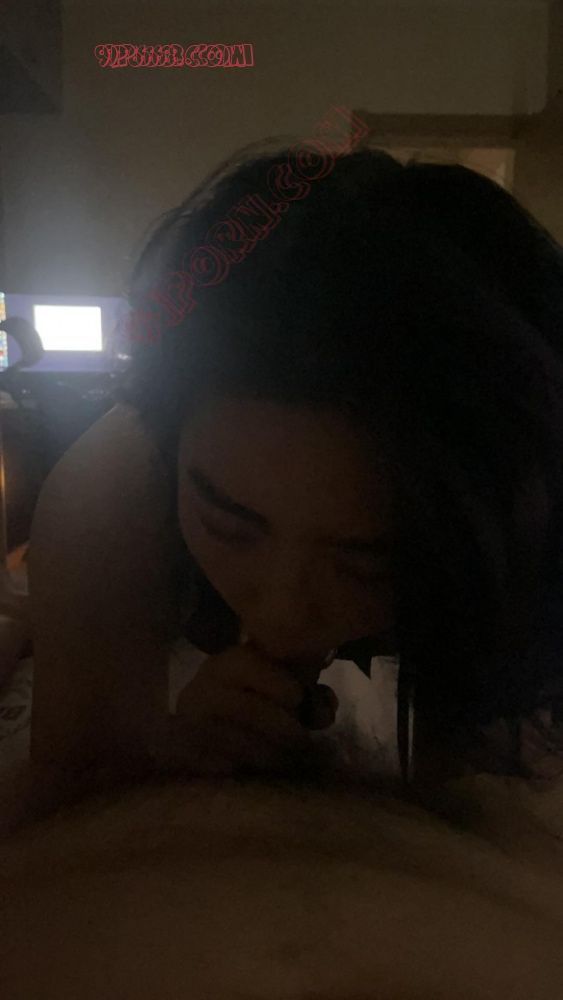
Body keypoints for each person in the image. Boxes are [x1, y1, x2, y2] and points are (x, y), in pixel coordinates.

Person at [25, 141, 563, 817]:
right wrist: (165, 762)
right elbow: (71, 792)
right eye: (228, 525)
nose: (283, 617)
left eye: (368, 563)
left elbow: (491, 811)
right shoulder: (109, 492)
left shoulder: (524, 519)